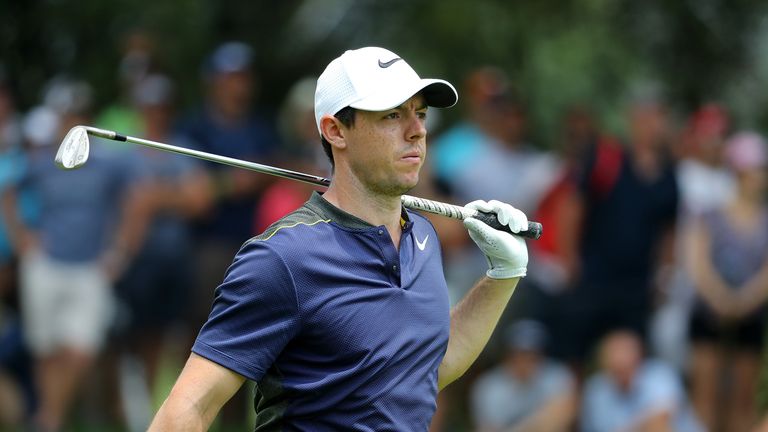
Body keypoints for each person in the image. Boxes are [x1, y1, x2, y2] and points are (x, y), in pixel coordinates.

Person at [149, 46, 531, 431]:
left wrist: (504, 274)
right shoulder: (284, 258)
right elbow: (187, 410)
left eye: (420, 113)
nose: (416, 130)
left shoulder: (423, 239)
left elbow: (424, 368)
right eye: (392, 115)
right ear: (335, 131)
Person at [1, 79, 144, 431]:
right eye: (68, 115)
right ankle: (54, 421)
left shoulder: (109, 163)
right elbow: (9, 193)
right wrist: (22, 240)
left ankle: (47, 418)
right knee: (46, 350)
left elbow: (138, 199)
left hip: (90, 267)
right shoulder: (42, 160)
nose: (73, 121)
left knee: (82, 350)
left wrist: (121, 249)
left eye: (79, 114)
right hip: (45, 264)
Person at [686, 131, 768, 432]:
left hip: (751, 316)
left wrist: (744, 301)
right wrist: (721, 299)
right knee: (705, 399)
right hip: (708, 314)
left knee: (742, 401)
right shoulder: (710, 214)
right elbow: (698, 263)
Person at [580, 330, 703, 432]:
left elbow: (661, 419)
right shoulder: (596, 388)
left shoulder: (659, 374)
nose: (619, 360)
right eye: (614, 353)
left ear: (638, 356)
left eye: (624, 352)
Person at [470, 320, 576, 432]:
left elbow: (563, 417)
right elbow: (487, 428)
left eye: (532, 355)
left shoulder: (557, 375)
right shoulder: (488, 385)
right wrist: (540, 422)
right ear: (507, 355)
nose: (526, 361)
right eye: (520, 354)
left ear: (542, 355)